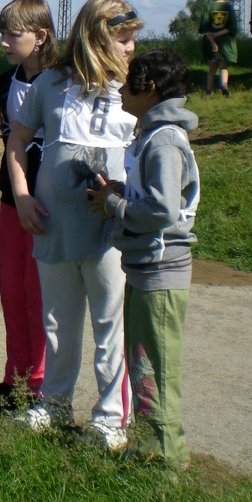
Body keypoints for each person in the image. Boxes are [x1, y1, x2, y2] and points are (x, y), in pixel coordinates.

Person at [7, 0, 141, 451]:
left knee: (109, 324)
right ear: (95, 37)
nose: (130, 48)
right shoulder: (51, 84)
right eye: (123, 39)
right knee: (58, 322)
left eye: (132, 39)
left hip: (110, 230)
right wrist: (22, 196)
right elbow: (17, 143)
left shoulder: (132, 89)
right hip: (53, 225)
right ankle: (55, 403)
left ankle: (111, 418)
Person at [88, 48, 200, 470]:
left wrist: (114, 204)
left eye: (129, 80)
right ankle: (152, 447)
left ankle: (167, 459)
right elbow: (152, 197)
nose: (120, 89)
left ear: (149, 87)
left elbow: (163, 210)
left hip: (161, 271)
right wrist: (120, 192)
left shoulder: (165, 140)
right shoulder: (152, 136)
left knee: (158, 365)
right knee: (143, 361)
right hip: (144, 268)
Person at [0, 0, 57, 403]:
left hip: (48, 201)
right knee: (10, 290)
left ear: (41, 36)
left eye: (13, 34)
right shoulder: (5, 80)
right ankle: (13, 377)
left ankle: (39, 383)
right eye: (2, 33)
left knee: (38, 294)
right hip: (10, 197)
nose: (4, 42)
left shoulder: (62, 82)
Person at [198, 0, 238, 97]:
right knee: (223, 67)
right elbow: (232, 27)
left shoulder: (209, 7)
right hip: (226, 43)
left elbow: (205, 28)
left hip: (212, 43)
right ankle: (224, 84)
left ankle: (209, 92)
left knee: (212, 69)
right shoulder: (229, 7)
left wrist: (213, 39)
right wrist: (218, 34)